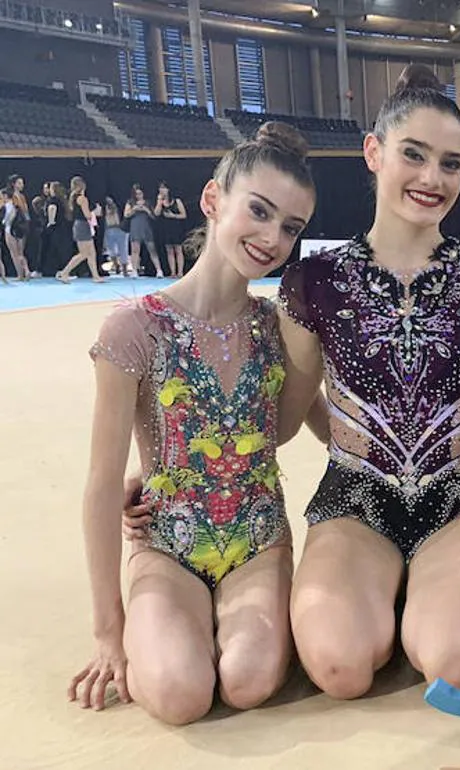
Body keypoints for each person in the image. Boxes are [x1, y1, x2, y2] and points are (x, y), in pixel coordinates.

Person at [275, 64, 460, 699]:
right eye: (413, 156)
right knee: (338, 668)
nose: (432, 178)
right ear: (374, 152)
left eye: (452, 163)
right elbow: (295, 405)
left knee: (448, 665)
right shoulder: (314, 282)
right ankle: (383, 597)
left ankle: (423, 597)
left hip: (459, 498)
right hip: (354, 497)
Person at [68, 123, 319, 723]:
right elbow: (103, 484)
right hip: (167, 544)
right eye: (259, 211)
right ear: (213, 200)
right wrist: (109, 629)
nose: (271, 238)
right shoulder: (134, 328)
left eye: (291, 227)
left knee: (249, 680)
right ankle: (169, 622)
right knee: (178, 695)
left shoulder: (277, 326)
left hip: (258, 539)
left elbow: (308, 430)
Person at [55, 176, 105, 283]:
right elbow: (87, 215)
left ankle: (96, 276)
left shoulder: (73, 198)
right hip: (83, 226)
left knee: (92, 253)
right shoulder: (82, 199)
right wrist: (96, 212)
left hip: (79, 225)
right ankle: (64, 272)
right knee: (84, 254)